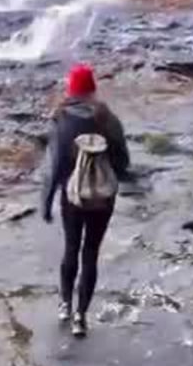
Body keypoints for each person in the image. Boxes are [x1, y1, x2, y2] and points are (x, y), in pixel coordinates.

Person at [41, 63, 130, 337]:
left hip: (73, 196)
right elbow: (123, 162)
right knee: (90, 253)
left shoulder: (60, 119)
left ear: (70, 90)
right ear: (92, 89)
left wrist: (46, 201)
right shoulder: (108, 118)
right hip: (103, 198)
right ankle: (81, 317)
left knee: (71, 249)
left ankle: (65, 306)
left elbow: (54, 167)